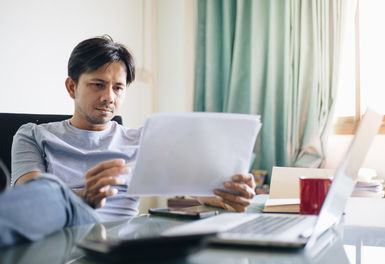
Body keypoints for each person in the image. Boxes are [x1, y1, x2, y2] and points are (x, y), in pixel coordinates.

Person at [0, 35, 255, 247]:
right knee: (50, 192)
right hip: (59, 236)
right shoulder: (32, 134)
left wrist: (219, 193)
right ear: (71, 87)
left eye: (118, 88)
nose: (109, 97)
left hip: (122, 244)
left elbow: (186, 187)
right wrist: (84, 196)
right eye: (98, 84)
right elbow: (32, 197)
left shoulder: (143, 139)